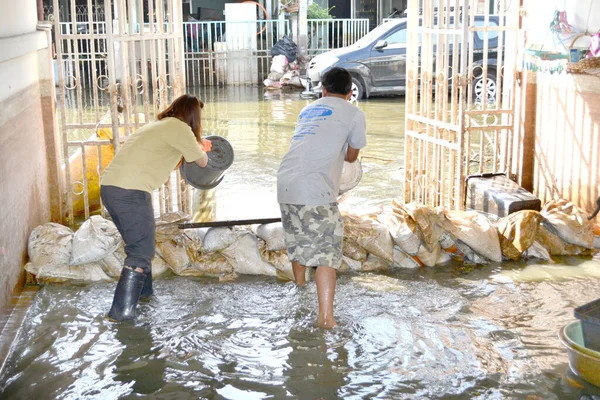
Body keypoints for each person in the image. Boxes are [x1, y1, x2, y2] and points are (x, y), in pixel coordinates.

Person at [100, 94, 212, 321]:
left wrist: (195, 146)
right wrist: (204, 148)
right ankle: (121, 314)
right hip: (131, 191)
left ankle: (144, 296)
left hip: (111, 188)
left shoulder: (158, 125)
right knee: (141, 252)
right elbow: (201, 162)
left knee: (140, 245)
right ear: (192, 115)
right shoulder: (180, 129)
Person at [277, 67, 367, 328]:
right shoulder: (354, 112)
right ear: (350, 93)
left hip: (285, 182)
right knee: (327, 253)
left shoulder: (308, 109)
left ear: (323, 90)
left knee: (298, 240)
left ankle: (300, 290)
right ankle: (326, 319)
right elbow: (351, 158)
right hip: (315, 187)